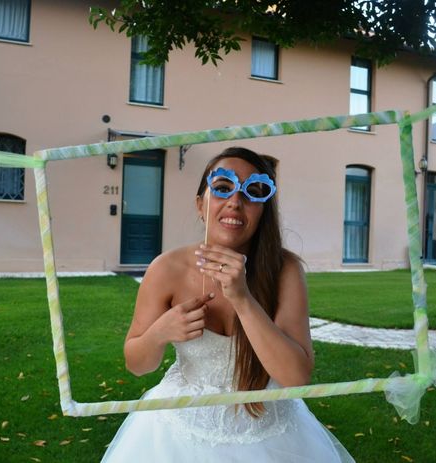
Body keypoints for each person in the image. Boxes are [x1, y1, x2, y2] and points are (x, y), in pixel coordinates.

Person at [101, 147, 354, 462]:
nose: (236, 201)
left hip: (272, 435)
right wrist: (160, 332)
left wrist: (243, 299)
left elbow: (296, 377)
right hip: (178, 434)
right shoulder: (166, 269)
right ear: (200, 205)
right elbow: (137, 365)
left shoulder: (285, 270)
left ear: (263, 211)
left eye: (254, 192)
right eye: (223, 187)